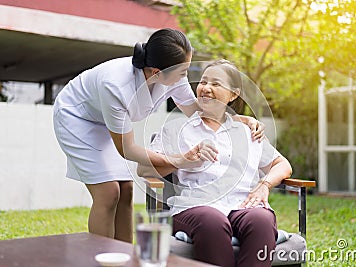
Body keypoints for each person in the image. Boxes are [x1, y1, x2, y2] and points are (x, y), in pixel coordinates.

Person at [53, 28, 265, 243]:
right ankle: (99, 259)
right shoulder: (115, 85)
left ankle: (126, 257)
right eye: (182, 73)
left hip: (104, 118)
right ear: (156, 72)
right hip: (77, 117)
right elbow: (127, 149)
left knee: (125, 190)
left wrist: (240, 120)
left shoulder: (173, 71)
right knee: (108, 193)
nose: (186, 78)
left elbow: (197, 113)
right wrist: (178, 160)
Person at [137, 59, 292, 267]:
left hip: (243, 204)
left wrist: (265, 185)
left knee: (262, 221)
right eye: (203, 82)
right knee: (212, 221)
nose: (206, 88)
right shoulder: (176, 129)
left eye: (216, 84)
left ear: (233, 94)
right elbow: (144, 168)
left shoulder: (248, 132)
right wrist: (184, 160)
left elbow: (282, 164)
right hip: (196, 205)